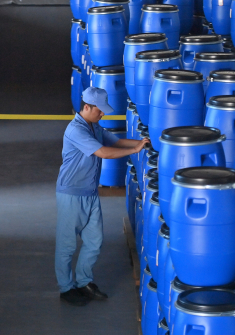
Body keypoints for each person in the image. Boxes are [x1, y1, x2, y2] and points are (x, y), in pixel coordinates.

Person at [55, 87, 149, 306]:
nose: (103, 114)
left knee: (94, 240)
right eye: (100, 110)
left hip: (89, 192)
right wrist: (134, 151)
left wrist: (140, 142)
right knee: (67, 245)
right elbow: (103, 153)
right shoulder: (76, 130)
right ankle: (66, 288)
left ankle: (84, 282)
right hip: (71, 193)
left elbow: (114, 142)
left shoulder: (94, 126)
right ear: (86, 107)